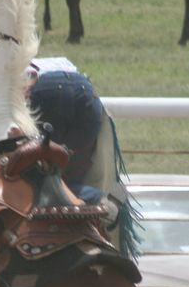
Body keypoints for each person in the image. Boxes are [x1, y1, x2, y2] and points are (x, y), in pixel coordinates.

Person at [25, 57, 139, 258]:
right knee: (71, 175)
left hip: (44, 90)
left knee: (43, 177)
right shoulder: (44, 60)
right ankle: (98, 201)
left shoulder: (7, 63)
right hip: (85, 91)